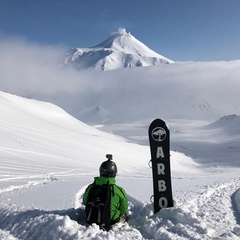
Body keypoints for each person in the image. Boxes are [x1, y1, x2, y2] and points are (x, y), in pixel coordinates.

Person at [82, 154, 128, 229]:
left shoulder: (91, 187)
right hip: (110, 220)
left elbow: (84, 201)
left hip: (91, 219)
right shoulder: (118, 190)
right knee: (123, 215)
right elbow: (124, 208)